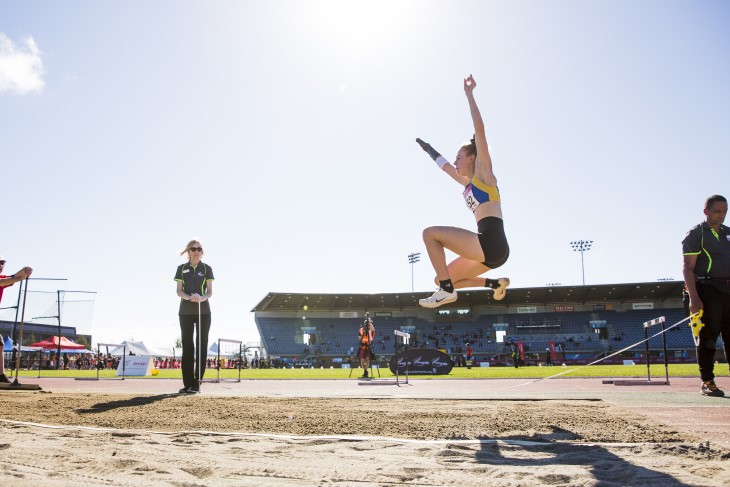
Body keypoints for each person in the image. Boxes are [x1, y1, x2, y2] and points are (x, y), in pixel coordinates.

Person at [416, 74, 510, 308]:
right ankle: (494, 284)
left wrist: (469, 95)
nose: (456, 162)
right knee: (441, 277)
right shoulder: (467, 183)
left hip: (491, 240)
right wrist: (430, 151)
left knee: (430, 234)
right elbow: (446, 167)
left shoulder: (484, 175)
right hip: (491, 251)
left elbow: (479, 129)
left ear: (472, 158)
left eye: (460, 157)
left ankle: (447, 291)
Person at [682, 195, 730, 397]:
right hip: (707, 289)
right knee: (708, 338)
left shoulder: (728, 233)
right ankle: (707, 381)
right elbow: (688, 268)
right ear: (706, 212)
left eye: (725, 211)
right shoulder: (696, 234)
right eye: (718, 211)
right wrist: (694, 297)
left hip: (728, 290)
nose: (722, 215)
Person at [174, 240, 214, 394]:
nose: (197, 251)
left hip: (203, 311)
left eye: (199, 248)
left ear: (202, 252)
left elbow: (210, 291)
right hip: (185, 312)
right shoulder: (181, 269)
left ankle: (197, 383)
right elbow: (178, 291)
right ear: (188, 251)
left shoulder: (207, 268)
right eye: (193, 248)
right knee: (187, 346)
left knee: (201, 345)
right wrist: (189, 297)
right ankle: (188, 383)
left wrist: (201, 298)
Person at [0, 256, 33, 383]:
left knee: (0, 344)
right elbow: (5, 282)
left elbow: (11, 277)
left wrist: (24, 270)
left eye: (2, 263)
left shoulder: (4, 278)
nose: (1, 265)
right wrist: (21, 278)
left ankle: (0, 376)